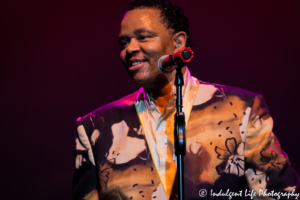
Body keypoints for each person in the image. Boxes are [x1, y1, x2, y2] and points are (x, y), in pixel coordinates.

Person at [72, 0, 299, 199]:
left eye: (143, 37)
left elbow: (281, 195)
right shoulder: (96, 127)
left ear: (179, 42)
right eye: (124, 43)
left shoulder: (242, 109)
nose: (129, 49)